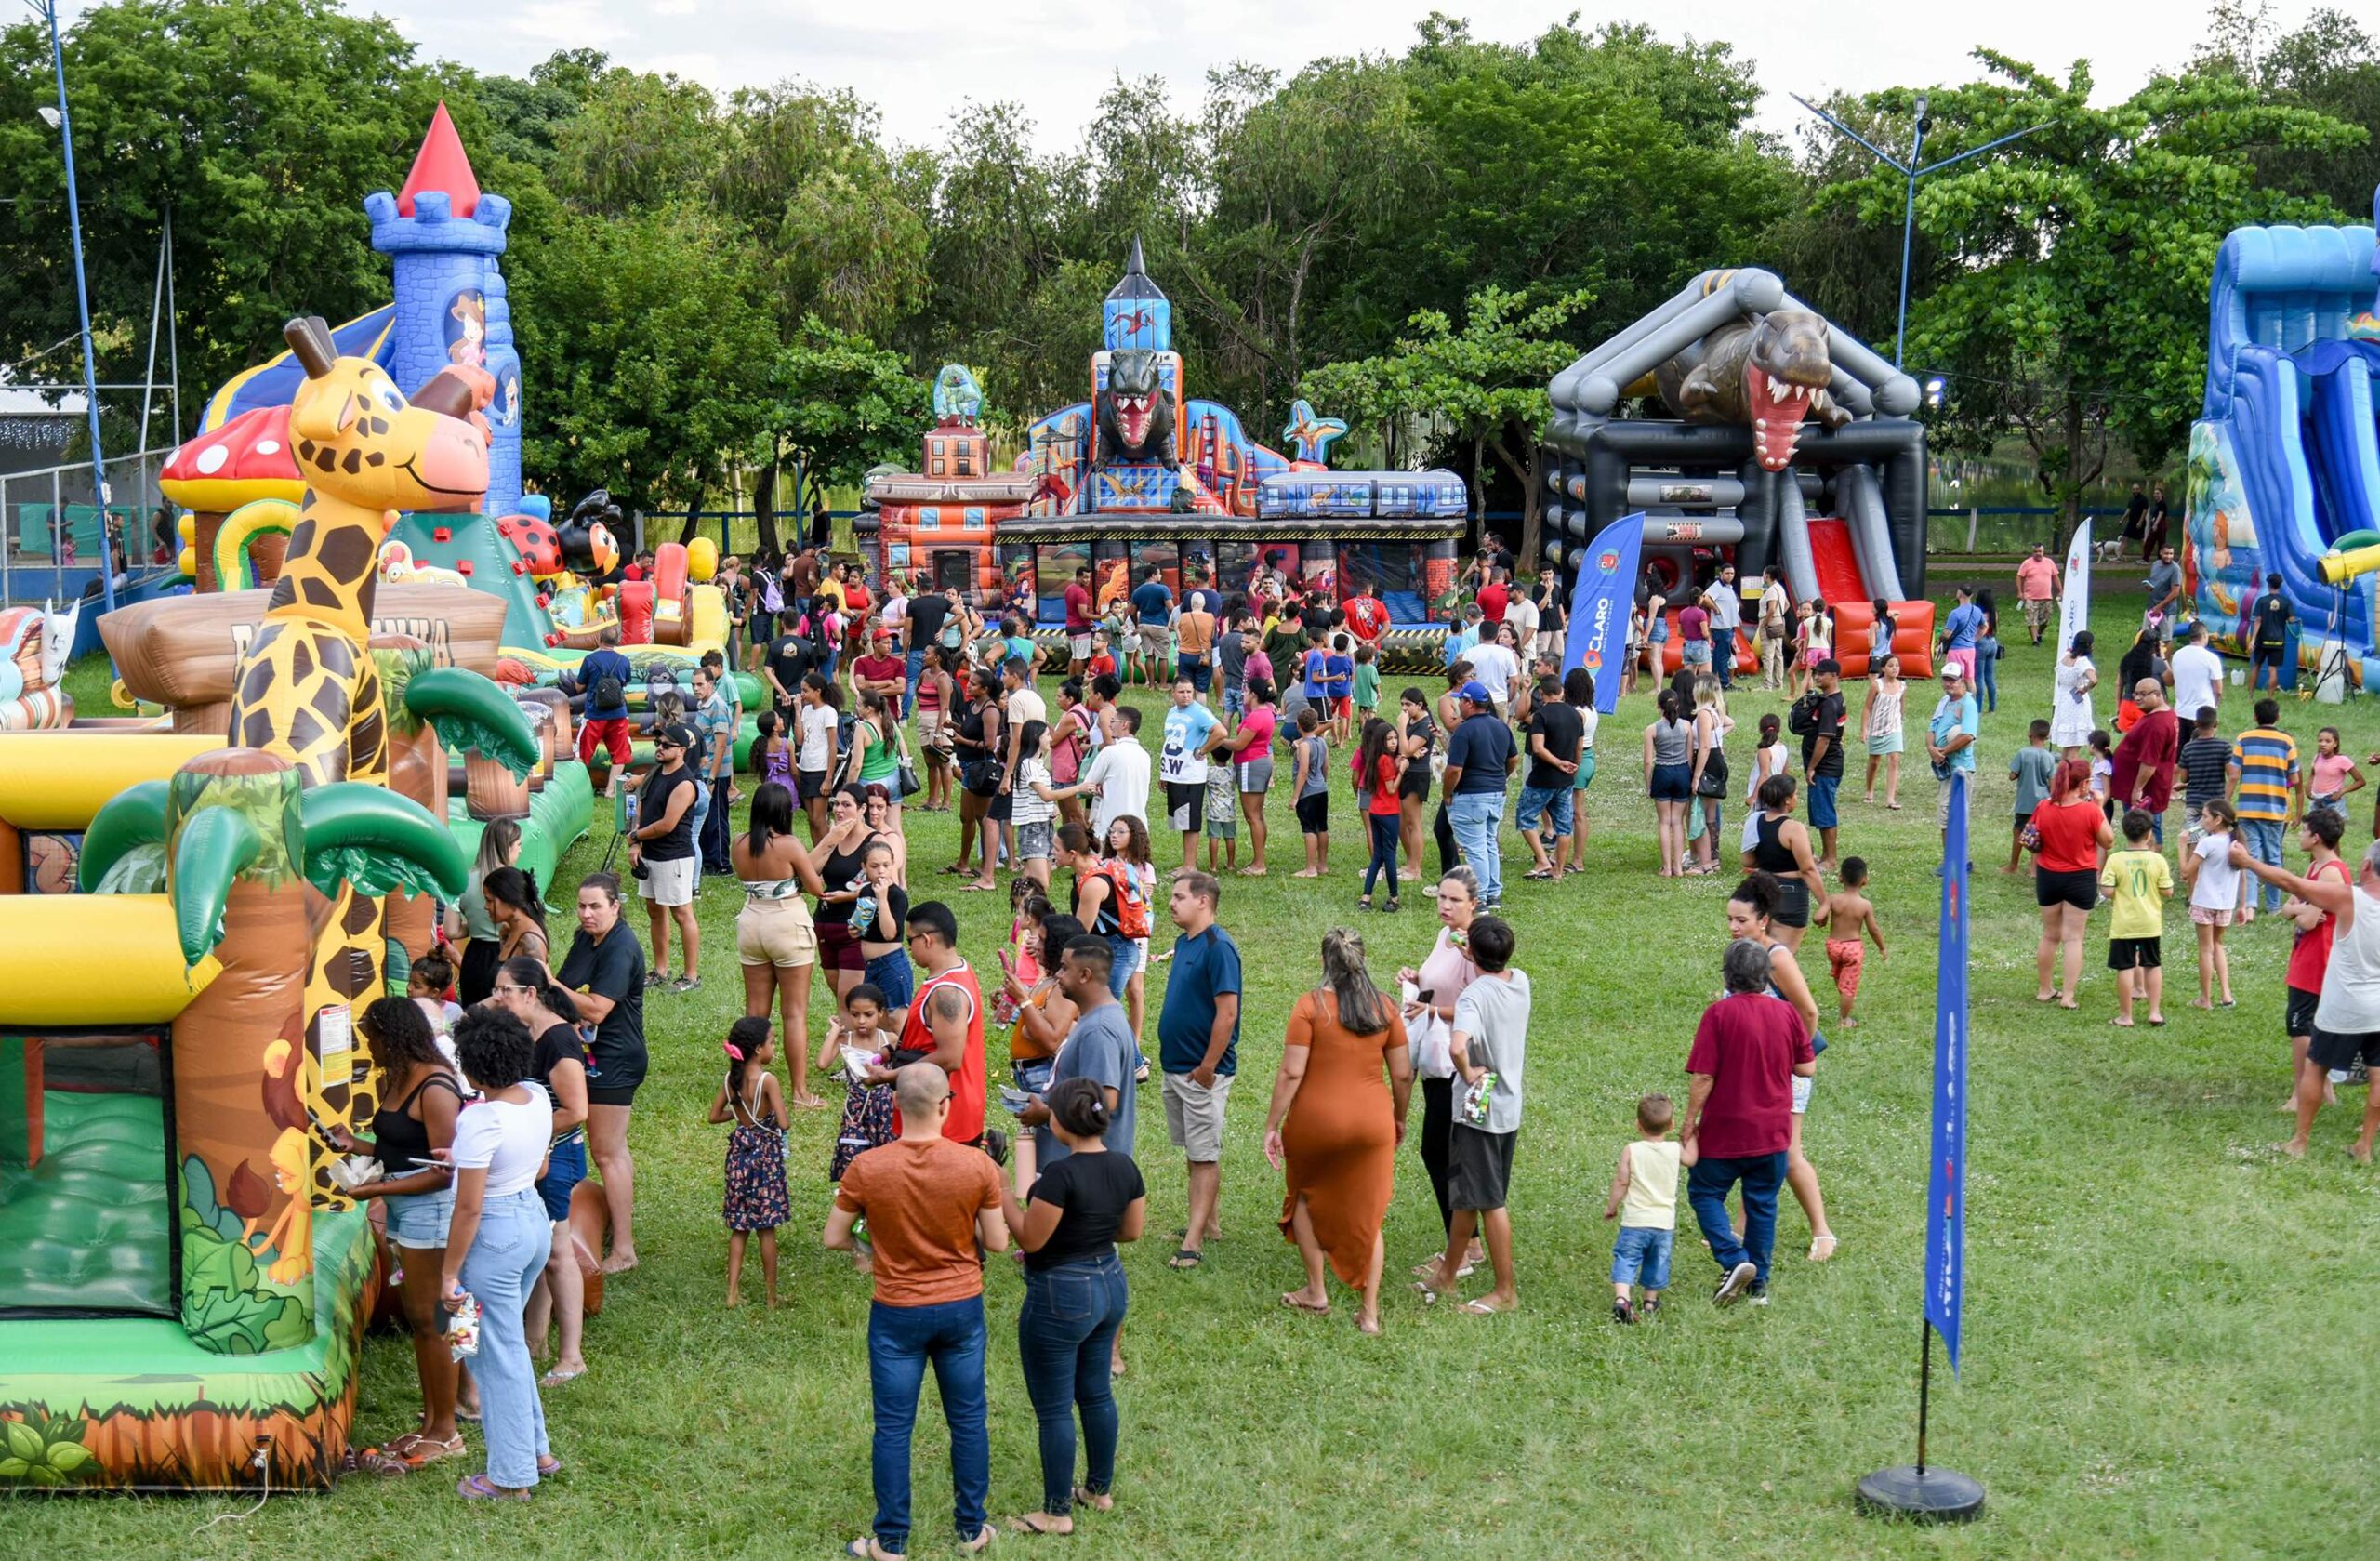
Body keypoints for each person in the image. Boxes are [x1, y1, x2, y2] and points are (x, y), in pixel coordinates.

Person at [826, 1065, 1007, 1558]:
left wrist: (870, 1251)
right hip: (960, 1307)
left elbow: (833, 1236)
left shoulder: (867, 1168)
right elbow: (997, 1240)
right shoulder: (977, 1167)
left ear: (898, 1107)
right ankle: (972, 1530)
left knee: (893, 1427)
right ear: (945, 1105)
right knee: (968, 1420)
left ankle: (890, 1541)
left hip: (898, 1311)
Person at [998, 1075, 1143, 1538]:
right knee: (1097, 1391)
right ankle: (1098, 1489)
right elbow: (1131, 1231)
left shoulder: (1060, 1174)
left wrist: (1001, 1191)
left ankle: (1056, 1512)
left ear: (1057, 1122)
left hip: (1062, 1292)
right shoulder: (1124, 1165)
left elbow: (1031, 1238)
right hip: (1110, 1284)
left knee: (1055, 1407)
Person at [331, 999, 463, 1473]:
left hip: (432, 1212)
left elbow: (445, 1171)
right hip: (407, 1211)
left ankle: (447, 1432)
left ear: (393, 1035)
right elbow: (401, 1148)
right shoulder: (397, 1077)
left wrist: (379, 1189)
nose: (369, 1045)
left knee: (435, 1322)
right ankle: (431, 1421)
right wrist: (357, 1145)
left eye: (372, 1036)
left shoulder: (435, 1085)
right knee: (420, 1320)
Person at [1263, 928, 1412, 1334]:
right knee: (1369, 1217)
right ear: (1362, 959)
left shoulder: (1310, 1007)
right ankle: (1370, 1314)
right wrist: (1398, 1118)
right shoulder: (1386, 1008)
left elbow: (1292, 1071)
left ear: (1322, 961)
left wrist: (1272, 1124)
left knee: (1306, 1200)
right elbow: (1402, 1075)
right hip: (1372, 1123)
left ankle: (1316, 1291)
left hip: (1317, 1122)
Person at [440, 1007, 558, 1501]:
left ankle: (509, 1478)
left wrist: (448, 1275)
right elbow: (528, 1165)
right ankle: (535, 1451)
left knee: (493, 1357)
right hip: (532, 1223)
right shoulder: (537, 1097)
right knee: (506, 1345)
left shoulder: (480, 1118)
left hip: (493, 1235)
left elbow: (468, 1208)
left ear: (471, 1068)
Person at [1683, 939, 1817, 1307]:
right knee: (1762, 1204)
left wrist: (1689, 1122)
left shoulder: (1719, 1014)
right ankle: (1759, 1288)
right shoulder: (1787, 1014)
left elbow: (1704, 1076)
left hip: (1725, 1130)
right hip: (1773, 1131)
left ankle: (1734, 1259)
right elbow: (1806, 1067)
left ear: (1729, 975)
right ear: (1767, 977)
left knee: (1704, 1193)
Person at [1413, 913, 1528, 1316]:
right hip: (1508, 1103)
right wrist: (1473, 950)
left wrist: (1467, 1072)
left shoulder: (1473, 997)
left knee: (1490, 1200)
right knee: (1466, 1194)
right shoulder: (1519, 981)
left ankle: (1505, 1290)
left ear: (1474, 955)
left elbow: (1458, 1046)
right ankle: (1447, 1275)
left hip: (1479, 1109)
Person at [486, 959, 591, 1390]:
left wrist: (528, 1130)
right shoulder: (527, 1032)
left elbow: (577, 1110)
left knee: (558, 1252)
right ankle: (536, 1343)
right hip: (538, 1155)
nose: (498, 998)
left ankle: (572, 1356)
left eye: (505, 991)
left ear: (531, 994)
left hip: (557, 1158)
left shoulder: (559, 1041)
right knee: (545, 1248)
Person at [556, 872, 647, 1274]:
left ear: (616, 906)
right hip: (593, 1053)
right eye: (581, 906)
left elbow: (595, 1008)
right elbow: (565, 986)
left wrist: (550, 988)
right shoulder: (585, 938)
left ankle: (625, 1250)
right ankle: (617, 1232)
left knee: (608, 1152)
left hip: (615, 1057)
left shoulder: (621, 947)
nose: (587, 914)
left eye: (595, 906)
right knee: (610, 1151)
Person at [1157, 871, 1239, 1269]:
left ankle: (1192, 1241)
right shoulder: (1182, 941)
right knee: (1195, 1150)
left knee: (1204, 1155)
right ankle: (1209, 1223)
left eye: (1179, 897)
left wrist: (1207, 1067)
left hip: (1201, 1073)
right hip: (1177, 1068)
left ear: (1203, 901)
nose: (1171, 903)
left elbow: (1227, 1013)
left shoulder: (1219, 948)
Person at [709, 1015, 789, 1307]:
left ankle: (731, 1293)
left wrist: (741, 1116)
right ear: (758, 1049)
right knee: (766, 1228)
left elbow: (714, 1116)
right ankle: (771, 1296)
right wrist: (763, 1117)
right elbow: (783, 1122)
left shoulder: (732, 1080)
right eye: (773, 1041)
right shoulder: (769, 1080)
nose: (774, 1046)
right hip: (766, 1159)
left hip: (739, 1157)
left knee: (739, 1227)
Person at [2028, 757, 2114, 1008]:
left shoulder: (2044, 806)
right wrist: (2098, 807)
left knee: (2050, 935)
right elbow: (2108, 841)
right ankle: (2067, 996)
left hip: (2048, 877)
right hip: (2080, 877)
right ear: (2085, 784)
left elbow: (2033, 835)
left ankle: (2045, 989)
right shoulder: (2089, 811)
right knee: (2073, 938)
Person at [627, 722, 703, 992]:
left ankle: (691, 976)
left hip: (674, 857)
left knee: (682, 913)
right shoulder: (655, 773)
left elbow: (667, 824)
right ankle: (660, 970)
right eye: (658, 743)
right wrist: (637, 844)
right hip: (651, 854)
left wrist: (637, 838)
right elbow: (642, 807)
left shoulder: (684, 783)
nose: (659, 748)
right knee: (655, 912)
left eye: (666, 745)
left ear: (681, 750)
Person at [1603, 1093, 1680, 1325]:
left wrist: (1612, 1206)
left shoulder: (1632, 1150)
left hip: (1635, 1220)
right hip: (1663, 1222)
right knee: (1657, 1260)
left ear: (1638, 1125)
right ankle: (1650, 1301)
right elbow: (1693, 1158)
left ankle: (1622, 1298)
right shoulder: (1676, 1150)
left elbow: (1622, 1182)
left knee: (1626, 1257)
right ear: (1671, 1125)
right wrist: (1693, 1134)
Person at [1444, 680, 1517, 907]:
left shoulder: (1464, 730)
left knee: (1475, 849)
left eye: (1461, 702)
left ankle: (1480, 897)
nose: (1459, 707)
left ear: (1470, 703)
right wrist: (1500, 777)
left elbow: (1454, 769)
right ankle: (1494, 893)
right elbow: (1513, 759)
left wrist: (1447, 794)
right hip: (1496, 793)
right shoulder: (1501, 726)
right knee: (1488, 844)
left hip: (1470, 796)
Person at [2228, 698, 2300, 919]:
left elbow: (2233, 774)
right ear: (2277, 717)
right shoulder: (2287, 741)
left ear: (2255, 717)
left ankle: (2249, 906)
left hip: (2248, 807)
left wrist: (2225, 800)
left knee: (2250, 857)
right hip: (2275, 809)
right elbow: (2294, 778)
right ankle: (2273, 905)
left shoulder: (2243, 739)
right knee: (2273, 858)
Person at [2101, 809, 2173, 1028]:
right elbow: (2167, 891)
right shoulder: (2157, 860)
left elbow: (2106, 890)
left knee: (2125, 967)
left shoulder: (2116, 860)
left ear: (2124, 832)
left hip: (2124, 924)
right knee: (2153, 965)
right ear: (2149, 834)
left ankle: (2126, 1016)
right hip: (2150, 923)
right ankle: (2154, 1013)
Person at [1742, 774, 1826, 952]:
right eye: (1795, 794)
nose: (1797, 798)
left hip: (1762, 889)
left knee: (1760, 955)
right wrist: (1825, 903)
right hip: (1790, 894)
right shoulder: (1793, 828)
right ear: (1787, 800)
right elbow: (1808, 870)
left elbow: (1748, 860)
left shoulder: (1756, 821)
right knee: (1780, 958)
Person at [1518, 673, 1581, 882]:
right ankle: (1558, 871)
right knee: (1564, 826)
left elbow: (1537, 748)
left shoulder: (1541, 716)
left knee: (1525, 817)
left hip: (1542, 777)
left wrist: (1557, 762)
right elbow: (1579, 746)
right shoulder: (1575, 715)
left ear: (1542, 694)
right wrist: (1573, 765)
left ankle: (1543, 859)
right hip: (1566, 780)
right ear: (1562, 692)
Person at [453, 818, 522, 1005]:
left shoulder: (465, 880)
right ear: (506, 847)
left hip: (476, 956)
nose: (520, 850)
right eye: (518, 844)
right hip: (509, 952)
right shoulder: (515, 882)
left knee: (475, 1016)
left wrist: (475, 924)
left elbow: (452, 930)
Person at [2183, 799, 2244, 1009]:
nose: (2202, 820)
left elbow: (2185, 872)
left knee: (2205, 949)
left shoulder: (2207, 843)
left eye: (2206, 816)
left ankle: (2205, 999)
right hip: (2226, 904)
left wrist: (2182, 846)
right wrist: (2243, 905)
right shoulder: (2236, 843)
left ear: (2218, 820)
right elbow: (2244, 876)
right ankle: (2226, 994)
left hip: (2204, 902)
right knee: (2218, 945)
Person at [1157, 676, 1222, 875]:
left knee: (1191, 821)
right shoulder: (1172, 712)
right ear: (1173, 693)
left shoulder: (1200, 713)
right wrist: (1165, 773)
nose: (1186, 696)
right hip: (1176, 772)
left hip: (1191, 775)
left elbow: (1220, 732)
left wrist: (1203, 750)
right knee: (1181, 820)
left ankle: (1190, 865)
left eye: (1189, 692)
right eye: (1181, 692)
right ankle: (1186, 863)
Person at [2110, 680, 2179, 846]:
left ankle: (2151, 863)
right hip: (2151, 784)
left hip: (2147, 789)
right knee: (2151, 825)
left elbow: (2149, 762)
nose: (2137, 698)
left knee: (2146, 827)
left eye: (2143, 694)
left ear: (2157, 694)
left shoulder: (2157, 724)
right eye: (2135, 693)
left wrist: (2137, 789)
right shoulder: (2166, 715)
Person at [1821, 858, 1887, 1029]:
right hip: (1852, 949)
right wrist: (1882, 948)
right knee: (1849, 987)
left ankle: (1845, 998)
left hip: (1834, 946)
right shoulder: (1864, 905)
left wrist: (1823, 919)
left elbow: (1817, 917)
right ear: (1865, 880)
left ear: (1840, 877)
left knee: (1839, 975)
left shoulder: (1833, 899)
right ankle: (1844, 1020)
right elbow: (1874, 930)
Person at [571, 625, 636, 787]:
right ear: (617, 641)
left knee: (581, 754)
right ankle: (610, 791)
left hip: (594, 714)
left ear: (600, 639)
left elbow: (579, 686)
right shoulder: (624, 660)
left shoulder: (590, 659)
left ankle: (579, 788)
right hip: (618, 714)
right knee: (620, 754)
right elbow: (625, 682)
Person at [1797, 659, 1846, 869]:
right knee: (1821, 812)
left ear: (1834, 676)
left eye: (1821, 674)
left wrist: (1812, 767)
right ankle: (1826, 855)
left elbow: (1824, 738)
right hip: (1827, 765)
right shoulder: (1832, 699)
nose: (1817, 677)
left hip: (1825, 767)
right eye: (1816, 673)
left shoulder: (1829, 704)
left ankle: (1831, 859)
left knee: (1825, 813)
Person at [1355, 718, 1406, 911]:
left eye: (1395, 738)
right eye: (1389, 739)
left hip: (1375, 810)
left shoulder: (1377, 759)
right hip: (1388, 812)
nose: (1393, 742)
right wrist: (1401, 770)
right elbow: (1391, 789)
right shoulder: (1386, 761)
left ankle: (1366, 897)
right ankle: (1393, 897)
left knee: (1377, 856)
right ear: (1380, 742)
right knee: (1390, 856)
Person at [691, 667, 737, 877]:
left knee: (717, 819)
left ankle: (721, 863)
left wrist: (712, 777)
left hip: (716, 773)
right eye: (693, 685)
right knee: (706, 818)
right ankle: (708, 861)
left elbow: (720, 745)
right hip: (705, 771)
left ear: (711, 683)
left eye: (700, 684)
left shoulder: (717, 706)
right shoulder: (703, 705)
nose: (696, 689)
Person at [1927, 665, 1982, 840]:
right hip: (1947, 767)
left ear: (1962, 680)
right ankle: (1951, 860)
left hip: (1961, 768)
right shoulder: (1944, 701)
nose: (1949, 683)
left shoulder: (1968, 704)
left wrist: (1943, 751)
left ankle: (1958, 861)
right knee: (1945, 815)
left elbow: (1968, 735)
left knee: (1954, 815)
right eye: (1945, 679)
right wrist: (1931, 748)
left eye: (1952, 679)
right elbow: (1932, 728)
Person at [2006, 719, 2059, 873]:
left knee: (2018, 831)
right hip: (2042, 803)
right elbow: (2052, 782)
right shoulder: (2049, 757)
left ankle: (2013, 865)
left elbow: (2012, 775)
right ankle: (2034, 869)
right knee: (2039, 834)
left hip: (2024, 803)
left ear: (2030, 734)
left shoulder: (2023, 753)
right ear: (2047, 737)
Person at [1290, 705, 1332, 878]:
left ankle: (1310, 868)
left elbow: (1303, 771)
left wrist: (1295, 796)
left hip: (1307, 793)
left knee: (1309, 829)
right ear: (1316, 725)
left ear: (1298, 725)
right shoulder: (1322, 742)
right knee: (1322, 827)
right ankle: (1322, 864)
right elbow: (1326, 766)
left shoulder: (1304, 747)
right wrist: (1323, 781)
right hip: (1321, 789)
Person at [1862, 659, 1905, 809]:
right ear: (1883, 669)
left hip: (1894, 728)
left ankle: (1891, 799)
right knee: (1874, 762)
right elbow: (1867, 708)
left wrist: (1901, 723)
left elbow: (1901, 707)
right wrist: (1864, 730)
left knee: (1894, 759)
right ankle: (1869, 790)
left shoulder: (1902, 686)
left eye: (1897, 665)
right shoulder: (1876, 685)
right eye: (1891, 665)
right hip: (1877, 728)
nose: (1895, 668)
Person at [2052, 630, 2099, 758]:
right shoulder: (2082, 662)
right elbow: (2094, 680)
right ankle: (2073, 774)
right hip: (2077, 703)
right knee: (2074, 747)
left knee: (2066, 748)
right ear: (2089, 646)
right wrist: (2085, 688)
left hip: (2064, 700)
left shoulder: (2065, 656)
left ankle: (2062, 774)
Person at [1129, 566, 1173, 690]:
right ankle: (1163, 684)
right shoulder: (1163, 589)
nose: (1161, 576)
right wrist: (1169, 623)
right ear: (1153, 575)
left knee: (1149, 656)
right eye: (1159, 574)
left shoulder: (1137, 591)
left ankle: (1152, 685)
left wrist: (1137, 625)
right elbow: (1171, 608)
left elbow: (1132, 611)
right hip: (1159, 624)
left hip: (1144, 625)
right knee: (1163, 655)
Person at [2248, 574, 2294, 691]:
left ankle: (2251, 696)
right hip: (2278, 641)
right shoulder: (2286, 602)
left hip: (2262, 640)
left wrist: (2253, 639)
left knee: (2256, 667)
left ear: (2268, 585)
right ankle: (2270, 698)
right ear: (2280, 585)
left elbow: (2258, 620)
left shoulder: (2262, 601)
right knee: (2272, 669)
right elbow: (2291, 619)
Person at [2172, 623, 2224, 724]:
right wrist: (2215, 704)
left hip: (2180, 711)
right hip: (2203, 713)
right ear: (2205, 635)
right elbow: (2218, 690)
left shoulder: (2177, 655)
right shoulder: (2211, 658)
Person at [2308, 727, 2365, 814]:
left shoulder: (2342, 760)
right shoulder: (2317, 757)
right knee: (2314, 826)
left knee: (2332, 827)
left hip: (2332, 802)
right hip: (2316, 801)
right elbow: (2313, 774)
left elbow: (2360, 781)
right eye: (2320, 741)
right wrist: (2308, 789)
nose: (2323, 744)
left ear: (2335, 743)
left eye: (2328, 741)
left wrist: (2341, 792)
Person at [2016, 542, 2060, 645]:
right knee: (2032, 619)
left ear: (2043, 552)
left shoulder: (2049, 562)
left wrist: (2060, 590)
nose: (2038, 554)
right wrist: (2020, 592)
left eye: (2040, 551)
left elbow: (2055, 577)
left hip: (2046, 597)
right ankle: (2035, 640)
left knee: (2046, 620)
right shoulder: (2027, 563)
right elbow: (2019, 577)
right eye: (2035, 552)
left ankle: (2039, 634)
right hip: (2030, 597)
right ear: (2032, 553)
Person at [1706, 565, 1742, 689]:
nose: (1730, 576)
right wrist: (1716, 609)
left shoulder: (1729, 588)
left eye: (1732, 573)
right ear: (1721, 573)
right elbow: (1706, 598)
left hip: (1728, 626)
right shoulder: (1717, 586)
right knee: (1723, 655)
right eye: (1727, 573)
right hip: (1722, 626)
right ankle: (1723, 682)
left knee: (1719, 655)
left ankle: (1715, 680)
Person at [1756, 569, 1790, 689]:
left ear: (1767, 576)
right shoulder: (1780, 588)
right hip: (1779, 621)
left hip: (1769, 622)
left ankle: (1767, 684)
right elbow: (1787, 605)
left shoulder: (1771, 590)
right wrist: (1779, 616)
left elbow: (1771, 609)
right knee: (1778, 654)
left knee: (1768, 654)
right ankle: (1778, 683)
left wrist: (1764, 623)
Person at [2145, 544, 2184, 627]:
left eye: (2171, 554)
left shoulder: (2175, 570)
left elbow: (2175, 592)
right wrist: (2149, 587)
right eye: (2166, 553)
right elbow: (2154, 582)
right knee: (2147, 635)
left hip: (2167, 611)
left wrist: (2159, 607)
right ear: (2160, 553)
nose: (2169, 556)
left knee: (2166, 638)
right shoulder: (2155, 564)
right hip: (2151, 607)